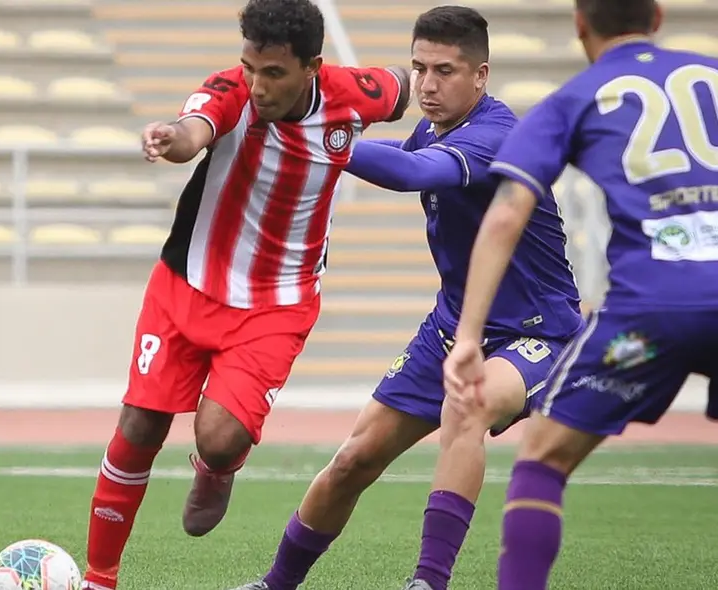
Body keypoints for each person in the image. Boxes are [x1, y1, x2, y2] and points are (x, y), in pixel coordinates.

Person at [231, 6, 585, 590]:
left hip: (536, 331)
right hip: (452, 326)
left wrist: (319, 135)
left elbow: (411, 172)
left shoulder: (499, 134)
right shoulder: (435, 126)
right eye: (418, 68)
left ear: (481, 75)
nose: (426, 84)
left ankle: (428, 583)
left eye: (444, 71)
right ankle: (275, 585)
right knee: (352, 460)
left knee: (465, 405)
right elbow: (399, 152)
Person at [79, 0, 413, 587]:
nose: (257, 85)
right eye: (250, 67)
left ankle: (217, 465)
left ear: (313, 66)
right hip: (186, 285)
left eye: (274, 73)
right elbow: (194, 131)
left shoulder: (354, 94)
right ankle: (98, 577)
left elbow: (403, 86)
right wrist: (170, 137)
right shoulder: (231, 91)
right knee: (139, 426)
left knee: (219, 434)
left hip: (278, 303)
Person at [441, 0, 718, 588]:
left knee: (543, 456)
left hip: (650, 317)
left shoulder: (574, 98)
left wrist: (468, 337)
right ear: (659, 18)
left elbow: (505, 216)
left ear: (579, 24)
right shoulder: (711, 75)